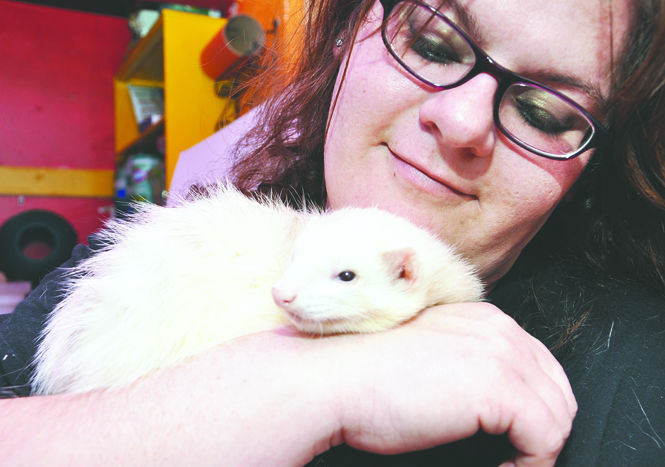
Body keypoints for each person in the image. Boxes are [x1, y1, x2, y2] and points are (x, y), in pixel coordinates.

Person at [1, 0, 664, 465]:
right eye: (432, 41)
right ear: (350, 29)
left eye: (543, 111)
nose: (462, 122)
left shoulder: (632, 374)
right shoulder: (153, 250)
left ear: (593, 167)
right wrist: (292, 386)